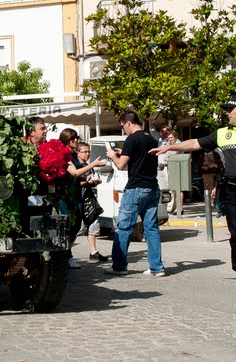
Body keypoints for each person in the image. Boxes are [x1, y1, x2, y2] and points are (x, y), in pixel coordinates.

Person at [152, 95, 236, 301]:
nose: (227, 113)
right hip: (233, 193)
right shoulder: (223, 134)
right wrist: (170, 147)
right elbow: (195, 143)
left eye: (229, 109)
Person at [105, 111, 163, 276]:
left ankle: (119, 266)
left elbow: (121, 165)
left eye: (122, 126)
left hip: (136, 188)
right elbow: (141, 156)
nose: (123, 129)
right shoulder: (151, 138)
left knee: (124, 227)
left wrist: (112, 156)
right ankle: (157, 268)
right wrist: (123, 150)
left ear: (128, 122)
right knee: (151, 228)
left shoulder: (132, 139)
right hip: (152, 187)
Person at [59, 128, 105, 268]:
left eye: (76, 138)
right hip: (67, 196)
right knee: (69, 226)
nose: (76, 141)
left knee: (76, 226)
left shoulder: (71, 154)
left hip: (77, 195)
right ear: (67, 140)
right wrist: (92, 165)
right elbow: (73, 174)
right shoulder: (65, 155)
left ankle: (66, 254)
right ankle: (66, 256)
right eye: (72, 139)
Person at [74, 141, 108, 263]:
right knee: (78, 228)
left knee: (93, 224)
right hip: (79, 201)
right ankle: (68, 253)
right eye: (84, 152)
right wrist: (87, 182)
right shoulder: (76, 167)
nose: (87, 154)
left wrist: (94, 182)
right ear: (78, 153)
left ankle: (93, 251)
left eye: (89, 152)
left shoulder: (89, 166)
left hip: (90, 200)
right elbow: (75, 183)